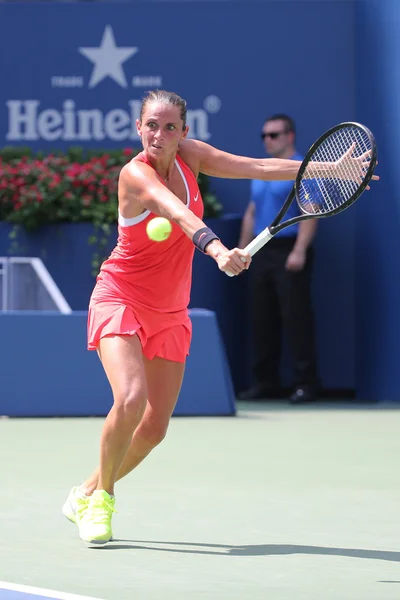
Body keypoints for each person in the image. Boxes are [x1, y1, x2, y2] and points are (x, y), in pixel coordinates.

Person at [61, 92, 376, 547]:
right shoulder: (135, 175)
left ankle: (86, 490)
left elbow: (260, 167)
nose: (160, 135)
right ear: (138, 127)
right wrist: (216, 250)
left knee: (154, 427)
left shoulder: (191, 156)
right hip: (121, 296)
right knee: (130, 398)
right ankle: (102, 499)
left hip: (170, 308)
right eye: (152, 125)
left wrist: (330, 170)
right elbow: (180, 215)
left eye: (170, 127)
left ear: (184, 132)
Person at [238, 114, 319, 404]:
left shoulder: (301, 168)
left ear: (289, 136)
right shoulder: (263, 171)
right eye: (264, 136)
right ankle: (265, 383)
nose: (267, 141)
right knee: (262, 320)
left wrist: (299, 250)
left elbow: (309, 210)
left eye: (273, 135)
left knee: (295, 318)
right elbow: (251, 212)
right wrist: (241, 251)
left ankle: (305, 384)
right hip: (261, 252)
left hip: (290, 250)